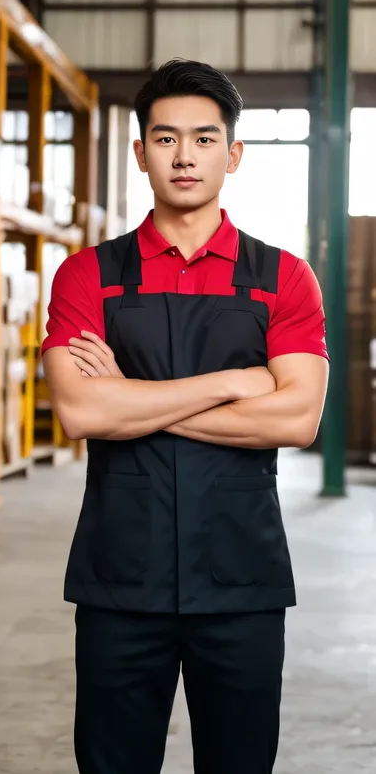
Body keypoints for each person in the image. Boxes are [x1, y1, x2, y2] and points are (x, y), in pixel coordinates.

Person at [42, 59, 329, 774]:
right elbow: (80, 410)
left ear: (232, 154)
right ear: (140, 153)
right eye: (165, 139)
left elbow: (296, 419)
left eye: (203, 139)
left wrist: (133, 400)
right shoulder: (89, 275)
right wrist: (235, 382)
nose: (184, 156)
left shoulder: (282, 277)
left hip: (241, 576)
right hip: (121, 577)